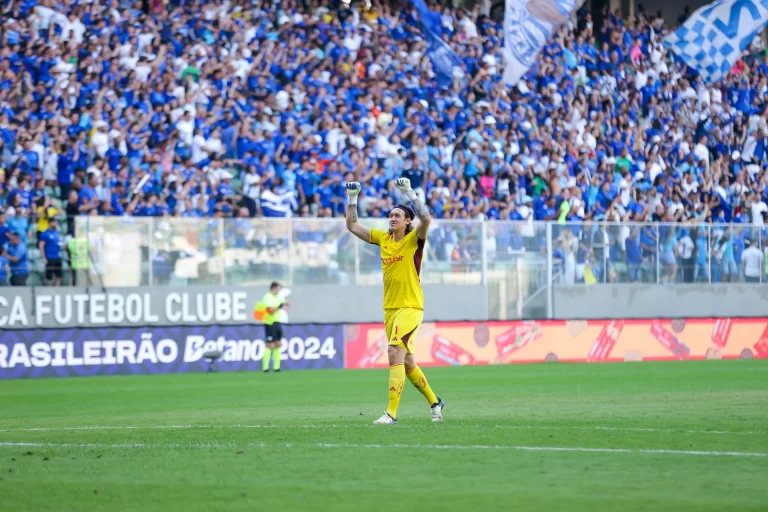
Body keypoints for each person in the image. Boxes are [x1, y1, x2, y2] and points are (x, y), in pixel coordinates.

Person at [344, 177, 445, 424]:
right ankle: (435, 402)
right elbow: (352, 226)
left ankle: (391, 414)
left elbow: (427, 219)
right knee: (407, 362)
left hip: (411, 307)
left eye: (397, 215)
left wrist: (409, 192)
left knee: (393, 353)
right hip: (390, 308)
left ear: (407, 221)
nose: (392, 218)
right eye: (391, 214)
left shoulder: (414, 240)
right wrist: (352, 199)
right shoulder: (382, 239)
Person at [258, 282, 290, 373]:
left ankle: (277, 367)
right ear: (274, 288)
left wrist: (285, 304)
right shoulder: (267, 297)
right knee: (269, 345)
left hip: (277, 322)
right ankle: (265, 368)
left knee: (278, 344)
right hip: (269, 323)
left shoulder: (279, 297)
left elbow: (285, 302)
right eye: (278, 289)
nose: (279, 291)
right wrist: (281, 306)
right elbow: (271, 310)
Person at [39, 217, 63, 286]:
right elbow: (41, 246)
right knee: (49, 276)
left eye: (56, 222)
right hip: (49, 257)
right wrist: (43, 257)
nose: (56, 224)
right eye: (54, 222)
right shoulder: (45, 233)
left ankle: (57, 290)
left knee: (59, 275)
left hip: (57, 256)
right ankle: (48, 290)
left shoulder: (57, 233)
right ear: (50, 223)